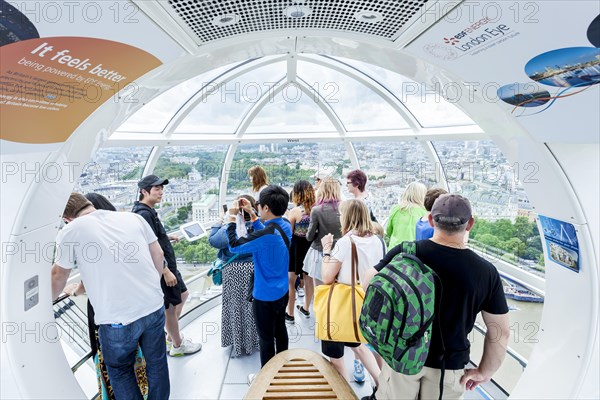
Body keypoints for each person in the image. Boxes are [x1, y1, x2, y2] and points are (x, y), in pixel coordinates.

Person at [365, 194, 510, 400]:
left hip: (402, 355)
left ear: (431, 220)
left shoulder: (407, 251)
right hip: (448, 366)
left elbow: (369, 283)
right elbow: (500, 332)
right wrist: (484, 372)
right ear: (469, 224)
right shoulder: (486, 272)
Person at [51, 193, 169, 400]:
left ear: (66, 218)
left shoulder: (71, 231)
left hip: (118, 317)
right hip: (153, 305)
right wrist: (150, 287)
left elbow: (59, 276)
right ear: (88, 204)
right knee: (157, 361)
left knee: (121, 370)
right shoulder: (132, 218)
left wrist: (47, 302)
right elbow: (158, 255)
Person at [225, 185, 292, 373]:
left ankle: (268, 376)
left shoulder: (265, 235)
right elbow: (268, 232)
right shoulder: (285, 225)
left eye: (260, 205)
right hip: (282, 290)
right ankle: (283, 366)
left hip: (264, 296)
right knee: (280, 329)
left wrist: (231, 218)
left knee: (265, 338)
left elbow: (234, 246)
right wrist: (254, 217)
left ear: (266, 208)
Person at [132, 175, 202, 357]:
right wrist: (165, 271)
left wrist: (166, 237)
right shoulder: (144, 214)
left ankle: (171, 336)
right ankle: (178, 345)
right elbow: (147, 247)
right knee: (170, 308)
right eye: (156, 189)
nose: (161, 192)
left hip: (168, 267)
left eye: (161, 189)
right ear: (144, 191)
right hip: (164, 270)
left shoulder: (147, 211)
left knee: (183, 295)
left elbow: (151, 238)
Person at [320, 199, 384, 389]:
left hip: (343, 304)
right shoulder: (378, 241)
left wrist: (326, 250)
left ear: (347, 217)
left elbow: (327, 277)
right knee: (358, 344)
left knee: (335, 354)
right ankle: (381, 387)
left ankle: (344, 392)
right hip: (367, 301)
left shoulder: (345, 242)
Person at [208, 195, 259, 357]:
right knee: (252, 306)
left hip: (232, 270)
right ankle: (254, 339)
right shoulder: (256, 226)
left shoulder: (230, 228)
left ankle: (238, 342)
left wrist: (222, 220)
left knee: (235, 306)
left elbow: (214, 241)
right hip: (253, 269)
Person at [302, 178, 343, 315]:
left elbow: (309, 236)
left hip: (319, 253)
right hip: (340, 254)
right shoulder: (345, 207)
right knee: (338, 290)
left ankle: (321, 323)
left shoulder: (317, 210)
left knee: (320, 291)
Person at [285, 180, 315, 324]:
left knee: (291, 281)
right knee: (309, 280)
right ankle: (306, 308)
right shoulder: (316, 209)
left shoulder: (296, 211)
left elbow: (289, 233)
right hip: (311, 248)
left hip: (296, 249)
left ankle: (290, 313)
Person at [386, 181, 427, 249]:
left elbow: (389, 231)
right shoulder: (424, 212)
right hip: (414, 251)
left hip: (394, 250)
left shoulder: (396, 209)